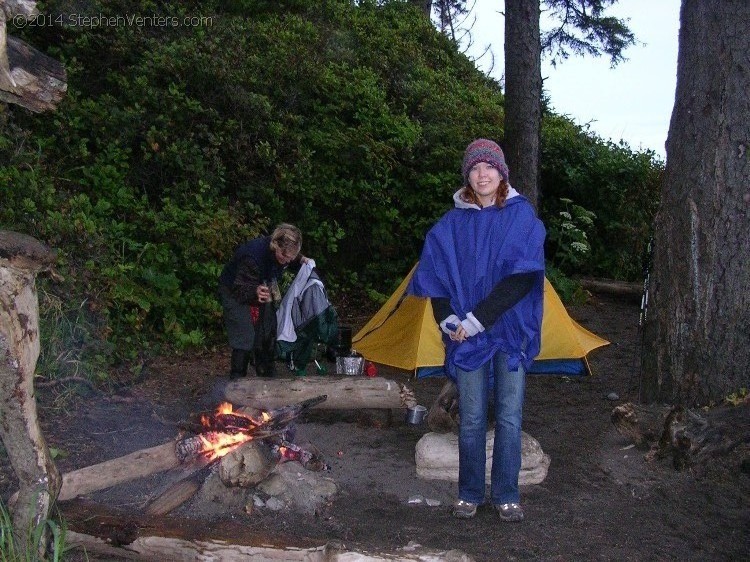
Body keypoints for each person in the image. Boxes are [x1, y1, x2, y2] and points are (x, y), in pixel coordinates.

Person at [409, 139, 545, 521]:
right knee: (470, 416)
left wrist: (476, 319)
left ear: (502, 173)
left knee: (508, 415)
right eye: (475, 167)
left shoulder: (522, 217)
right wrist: (449, 319)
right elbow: (435, 278)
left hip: (509, 332)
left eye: (490, 167)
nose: (482, 174)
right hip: (466, 337)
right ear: (467, 175)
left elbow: (521, 280)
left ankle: (506, 494)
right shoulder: (451, 224)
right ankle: (469, 492)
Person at [218, 223, 309, 378]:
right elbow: (240, 289)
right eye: (284, 256)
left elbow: (290, 256)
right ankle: (237, 381)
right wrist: (255, 291)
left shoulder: (285, 253)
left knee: (270, 328)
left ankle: (266, 372)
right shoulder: (252, 257)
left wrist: (300, 260)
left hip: (266, 282)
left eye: (291, 258)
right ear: (275, 245)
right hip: (234, 290)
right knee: (244, 336)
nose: (287, 261)